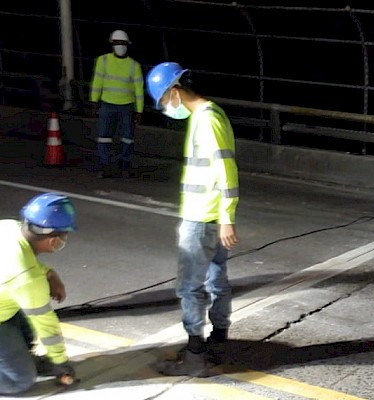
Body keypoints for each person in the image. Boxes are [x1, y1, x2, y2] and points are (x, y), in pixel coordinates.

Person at [146, 62, 240, 377]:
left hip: (203, 217)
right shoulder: (211, 114)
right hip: (210, 215)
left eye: (163, 101)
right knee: (216, 279)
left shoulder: (206, 119)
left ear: (175, 90)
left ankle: (196, 354)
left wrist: (227, 217)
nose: (165, 108)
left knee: (190, 286)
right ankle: (219, 341)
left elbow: (226, 169)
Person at [0, 193, 77, 394]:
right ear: (53, 241)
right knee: (20, 380)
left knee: (25, 311)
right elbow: (46, 326)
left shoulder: (8, 228)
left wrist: (50, 274)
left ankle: (17, 356)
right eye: (64, 235)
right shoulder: (28, 278)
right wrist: (60, 362)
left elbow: (18, 264)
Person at [89, 29, 144, 178]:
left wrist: (139, 111)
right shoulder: (103, 61)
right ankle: (105, 165)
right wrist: (94, 102)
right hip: (107, 104)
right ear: (112, 44)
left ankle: (125, 165)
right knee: (104, 137)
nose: (120, 46)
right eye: (117, 43)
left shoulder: (134, 65)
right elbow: (97, 82)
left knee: (127, 138)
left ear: (127, 45)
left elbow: (139, 90)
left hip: (127, 106)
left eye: (122, 43)